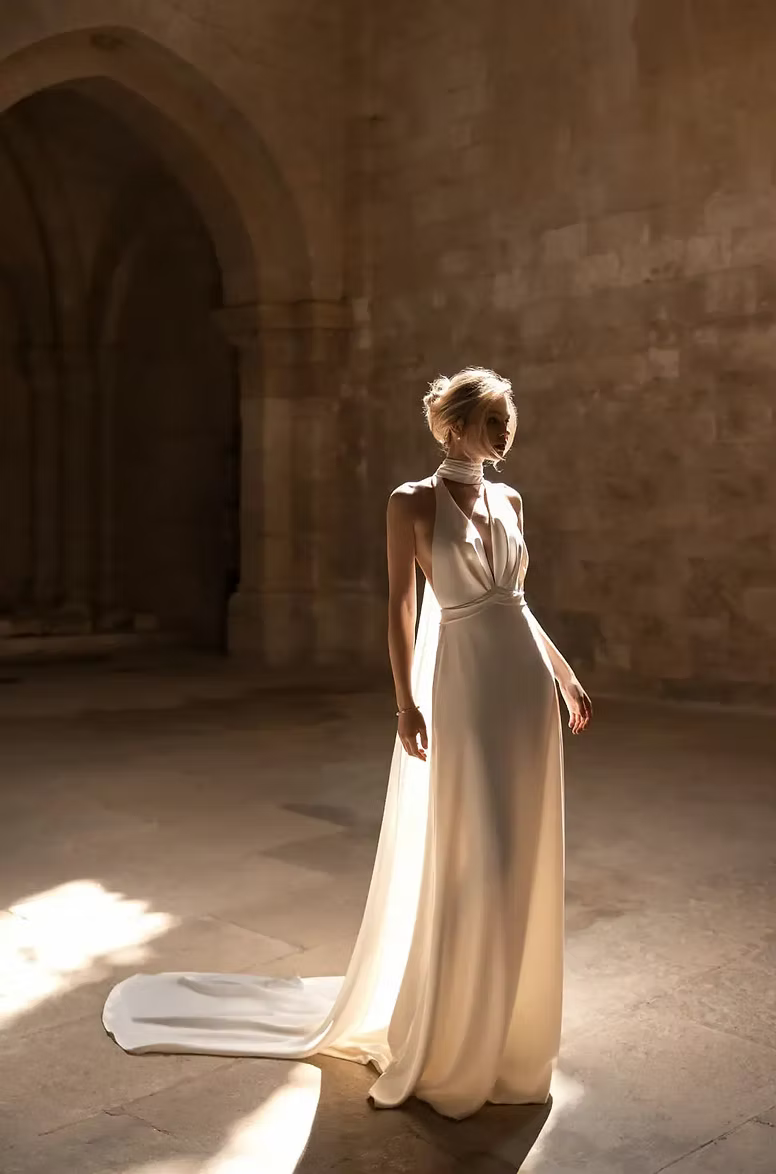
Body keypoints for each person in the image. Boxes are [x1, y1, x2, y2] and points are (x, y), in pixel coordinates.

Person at [102, 366, 592, 1121]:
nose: (505, 433)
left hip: (524, 696)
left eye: (509, 420)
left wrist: (562, 676)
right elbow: (401, 608)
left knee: (522, 853)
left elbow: (517, 604)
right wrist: (405, 701)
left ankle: (511, 1040)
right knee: (475, 850)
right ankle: (454, 1036)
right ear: (454, 424)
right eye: (492, 420)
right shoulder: (412, 503)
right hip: (463, 688)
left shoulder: (511, 498)